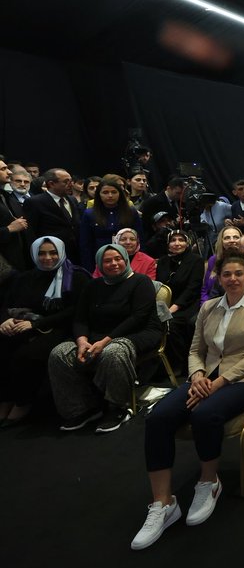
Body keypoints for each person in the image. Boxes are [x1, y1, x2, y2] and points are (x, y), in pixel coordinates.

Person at [132, 252, 244, 550]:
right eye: (227, 274)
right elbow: (196, 349)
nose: (233, 279)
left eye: (239, 273)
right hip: (204, 378)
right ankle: (163, 503)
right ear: (218, 278)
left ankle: (209, 482)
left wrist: (218, 382)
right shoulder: (208, 307)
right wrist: (198, 376)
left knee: (204, 415)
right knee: (158, 418)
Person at [47, 243, 160, 433]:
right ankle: (82, 408)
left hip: (137, 333)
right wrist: (82, 341)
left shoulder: (140, 281)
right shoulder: (93, 285)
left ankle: (117, 407)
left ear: (125, 260)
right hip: (96, 336)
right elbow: (80, 317)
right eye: (107, 260)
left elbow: (138, 318)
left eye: (118, 259)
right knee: (59, 354)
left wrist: (105, 341)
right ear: (99, 264)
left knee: (113, 352)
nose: (113, 263)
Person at [0, 237, 89, 425]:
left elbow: (75, 311)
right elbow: (7, 304)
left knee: (26, 356)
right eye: (41, 253)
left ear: (61, 252)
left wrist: (36, 325)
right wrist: (5, 320)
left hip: (61, 327)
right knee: (3, 348)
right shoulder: (25, 278)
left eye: (53, 252)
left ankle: (24, 401)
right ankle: (6, 397)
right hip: (25, 325)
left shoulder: (76, 276)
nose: (47, 257)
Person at [155, 230, 204, 373]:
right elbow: (160, 286)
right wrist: (163, 308)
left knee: (172, 324)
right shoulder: (163, 261)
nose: (177, 243)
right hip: (166, 303)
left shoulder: (196, 260)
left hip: (187, 303)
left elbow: (192, 288)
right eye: (173, 240)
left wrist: (173, 308)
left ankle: (180, 365)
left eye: (181, 240)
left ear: (187, 243)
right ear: (168, 244)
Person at [78, 176, 141, 272]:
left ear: (120, 194)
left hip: (127, 259)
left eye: (114, 192)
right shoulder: (89, 214)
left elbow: (140, 238)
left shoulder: (130, 212)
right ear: (99, 195)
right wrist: (89, 269)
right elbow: (85, 244)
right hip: (100, 259)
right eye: (105, 192)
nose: (110, 195)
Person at [24, 168, 82, 262]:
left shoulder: (72, 200)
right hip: (50, 256)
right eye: (66, 182)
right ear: (51, 184)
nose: (71, 185)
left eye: (71, 181)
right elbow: (31, 233)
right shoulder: (35, 202)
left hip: (75, 254)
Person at [201, 224, 242, 302]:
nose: (232, 240)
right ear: (221, 241)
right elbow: (205, 290)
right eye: (227, 238)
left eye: (236, 237)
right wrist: (204, 306)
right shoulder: (213, 260)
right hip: (212, 304)